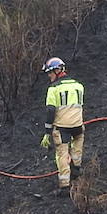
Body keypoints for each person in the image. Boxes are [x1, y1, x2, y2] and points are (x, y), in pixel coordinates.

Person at [40, 56, 84, 191]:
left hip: (62, 128)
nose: (49, 76)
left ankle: (65, 186)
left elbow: (50, 111)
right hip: (78, 126)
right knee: (77, 149)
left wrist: (47, 133)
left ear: (58, 70)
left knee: (62, 155)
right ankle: (76, 171)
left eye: (50, 72)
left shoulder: (53, 89)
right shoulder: (79, 86)